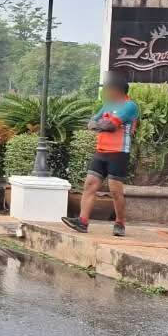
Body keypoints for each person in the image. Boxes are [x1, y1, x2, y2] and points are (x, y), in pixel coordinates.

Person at [63, 73, 139, 237]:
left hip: (119, 153)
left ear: (117, 89)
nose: (106, 91)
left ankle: (120, 223)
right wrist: (101, 124)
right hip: (101, 151)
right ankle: (82, 221)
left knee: (115, 191)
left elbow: (110, 125)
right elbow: (91, 123)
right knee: (90, 184)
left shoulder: (130, 106)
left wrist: (101, 125)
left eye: (108, 88)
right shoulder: (107, 105)